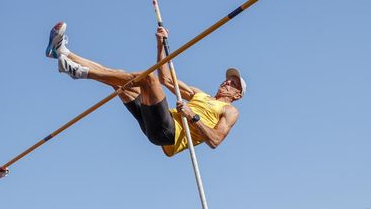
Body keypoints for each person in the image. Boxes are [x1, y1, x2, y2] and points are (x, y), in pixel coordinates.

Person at [45, 22, 246, 157]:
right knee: (120, 81)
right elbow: (166, 78)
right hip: (160, 122)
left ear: (237, 95)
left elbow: (216, 140)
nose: (227, 82)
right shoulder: (198, 93)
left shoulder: (230, 111)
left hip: (169, 133)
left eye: (233, 84)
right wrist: (160, 45)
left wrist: (193, 116)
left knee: (146, 79)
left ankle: (81, 73)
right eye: (228, 80)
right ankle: (63, 53)